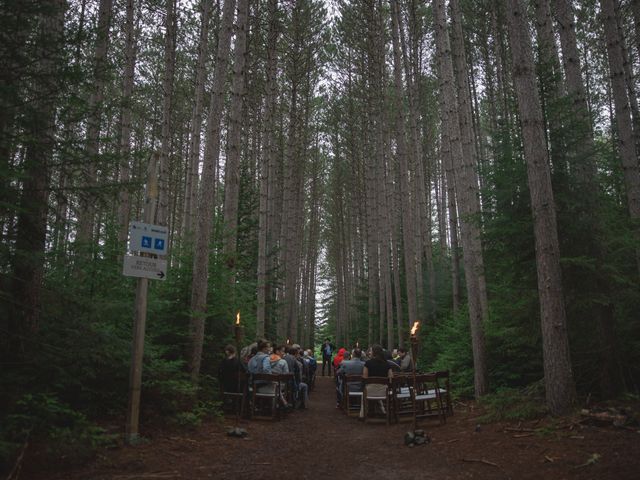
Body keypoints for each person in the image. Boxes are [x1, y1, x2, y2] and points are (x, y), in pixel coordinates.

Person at [362, 344, 393, 417]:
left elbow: (364, 378)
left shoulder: (368, 363)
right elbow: (391, 378)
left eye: (371, 351)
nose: (370, 353)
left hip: (370, 392)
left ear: (374, 352)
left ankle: (367, 412)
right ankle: (381, 411)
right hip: (384, 392)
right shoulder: (387, 364)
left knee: (366, 388)